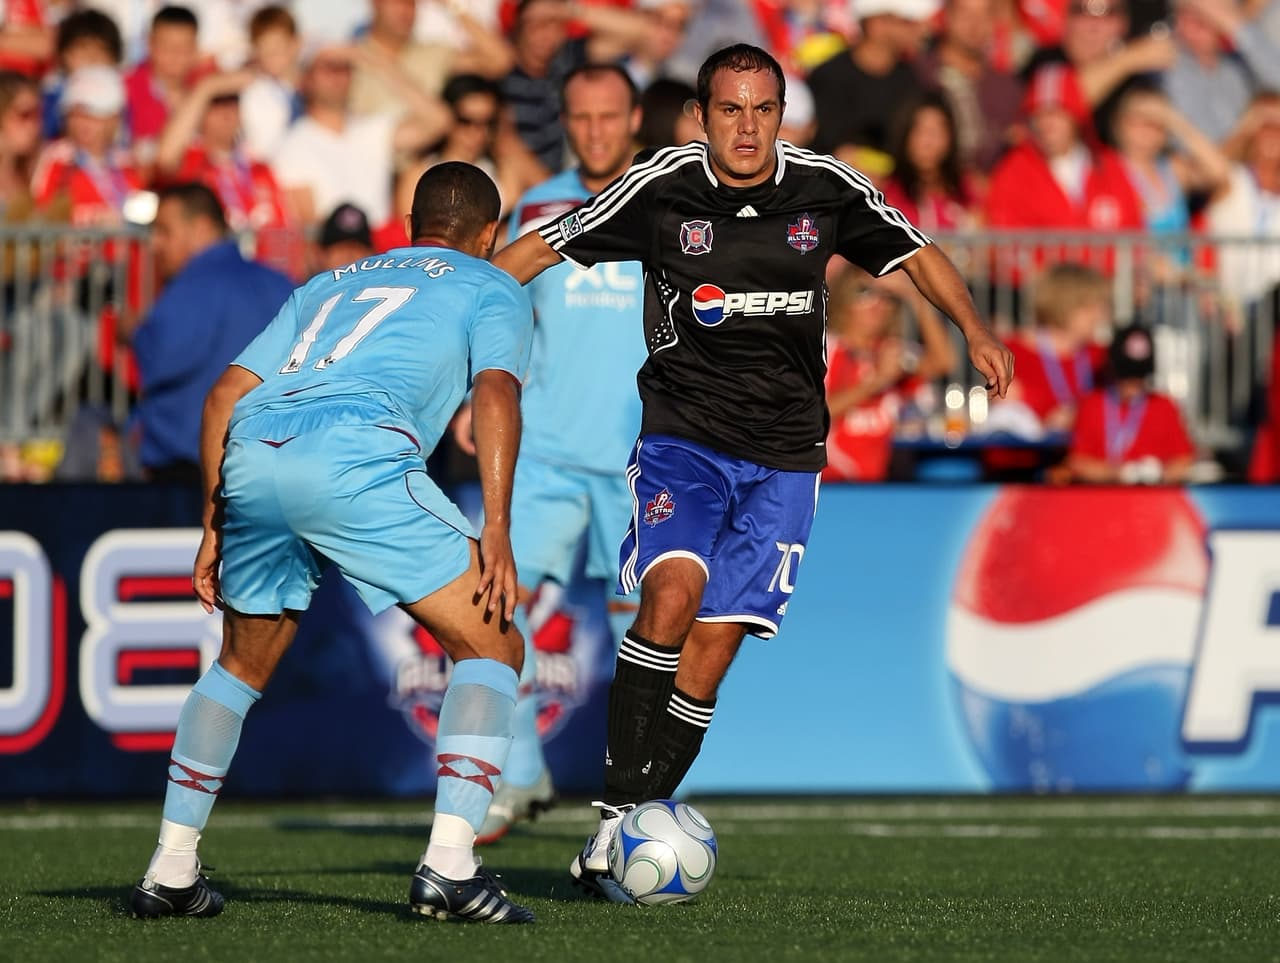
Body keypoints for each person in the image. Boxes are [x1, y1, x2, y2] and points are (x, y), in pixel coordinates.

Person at [493, 42, 1012, 901]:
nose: (746, 126)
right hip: (683, 440)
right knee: (668, 597)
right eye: (729, 109)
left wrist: (975, 330)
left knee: (712, 652)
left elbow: (917, 253)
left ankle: (618, 829)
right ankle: (624, 812)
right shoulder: (660, 187)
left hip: (784, 457)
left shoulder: (825, 188)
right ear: (702, 115)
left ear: (782, 114)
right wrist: (449, 302)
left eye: (761, 110)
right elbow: (541, 251)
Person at [127, 161, 536, 924]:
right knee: (497, 646)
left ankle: (171, 866)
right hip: (359, 454)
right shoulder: (489, 285)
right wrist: (500, 528)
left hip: (254, 451)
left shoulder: (329, 283)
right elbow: (496, 392)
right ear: (489, 234)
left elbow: (223, 395)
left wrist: (214, 523)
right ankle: (450, 864)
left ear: (411, 225)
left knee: (240, 665)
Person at [476, 62, 647, 844]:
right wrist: (472, 398)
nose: (596, 131)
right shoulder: (540, 208)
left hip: (642, 460)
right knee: (487, 610)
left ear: (635, 118)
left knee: (646, 643)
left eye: (609, 116)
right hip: (540, 453)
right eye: (581, 118)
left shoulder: (671, 204)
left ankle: (640, 802)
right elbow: (498, 312)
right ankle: (516, 777)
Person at [130, 182, 294, 484]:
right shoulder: (281, 285)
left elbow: (159, 358)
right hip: (274, 471)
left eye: (165, 231)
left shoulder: (190, 287)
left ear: (202, 228)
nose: (155, 244)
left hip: (190, 473)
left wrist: (134, 333)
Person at [822, 267, 957, 482]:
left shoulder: (890, 351)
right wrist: (877, 382)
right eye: (865, 292)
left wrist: (915, 297)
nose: (878, 304)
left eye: (887, 297)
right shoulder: (826, 348)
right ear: (843, 297)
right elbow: (815, 417)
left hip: (877, 484)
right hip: (832, 482)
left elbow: (943, 362)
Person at [1067, 322, 1197, 483]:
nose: (1132, 385)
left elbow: (1184, 460)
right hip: (1104, 497)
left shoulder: (1164, 406)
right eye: (1126, 375)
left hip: (1154, 499)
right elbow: (1078, 463)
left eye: (1139, 377)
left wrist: (1158, 474)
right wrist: (1121, 474)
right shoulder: (1093, 404)